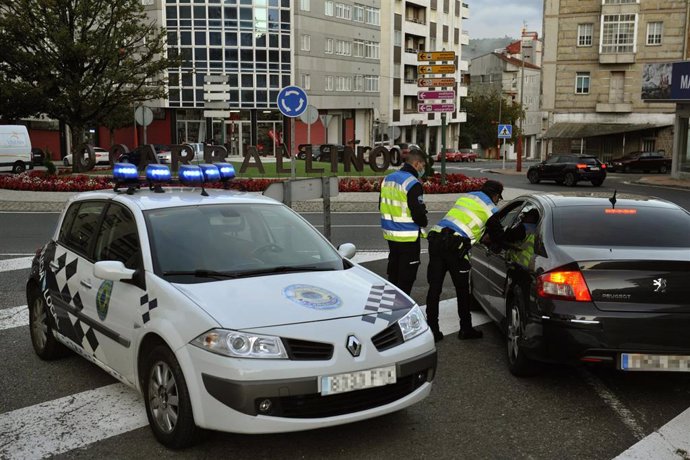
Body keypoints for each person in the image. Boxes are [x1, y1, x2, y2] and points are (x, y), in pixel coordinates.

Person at [425, 180, 507, 342]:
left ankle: (432, 330)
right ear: (495, 195)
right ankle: (466, 329)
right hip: (456, 248)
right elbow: (499, 237)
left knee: (434, 289)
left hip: (436, 239)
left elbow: (467, 223)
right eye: (499, 198)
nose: (498, 201)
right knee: (462, 291)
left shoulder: (468, 196)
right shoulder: (490, 208)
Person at [379, 149, 429, 295]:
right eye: (422, 165)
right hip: (408, 238)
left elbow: (380, 205)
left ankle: (389, 307)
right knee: (406, 278)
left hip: (391, 235)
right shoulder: (413, 183)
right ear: (416, 163)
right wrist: (424, 220)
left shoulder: (388, 179)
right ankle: (402, 311)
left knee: (394, 274)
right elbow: (418, 213)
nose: (423, 169)